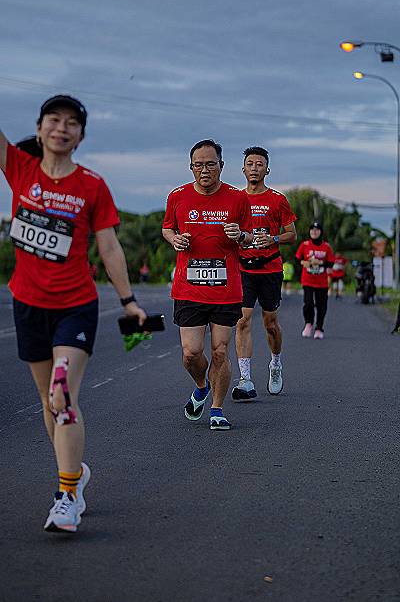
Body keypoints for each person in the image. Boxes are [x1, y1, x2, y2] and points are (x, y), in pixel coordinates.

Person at [0, 94, 146, 533]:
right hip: (28, 305)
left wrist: (128, 300)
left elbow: (109, 247)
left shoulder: (92, 186)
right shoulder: (20, 169)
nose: (61, 128)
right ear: (39, 128)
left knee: (62, 395)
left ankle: (66, 497)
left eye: (71, 123)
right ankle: (74, 472)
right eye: (53, 119)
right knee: (50, 402)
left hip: (74, 307)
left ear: (81, 136)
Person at [162, 139, 253, 431]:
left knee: (220, 351)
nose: (204, 170)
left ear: (221, 166)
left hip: (226, 289)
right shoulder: (177, 196)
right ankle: (202, 386)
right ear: (191, 167)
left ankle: (216, 409)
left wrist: (240, 235)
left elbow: (250, 237)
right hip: (189, 288)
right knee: (191, 353)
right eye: (198, 165)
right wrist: (175, 239)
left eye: (210, 164)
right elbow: (167, 227)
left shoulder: (238, 198)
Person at [232, 147, 297, 401]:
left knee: (270, 324)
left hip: (270, 268)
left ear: (267, 170)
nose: (254, 168)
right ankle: (245, 379)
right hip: (244, 268)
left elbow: (292, 234)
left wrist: (273, 239)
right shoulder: (236, 199)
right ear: (243, 169)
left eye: (259, 164)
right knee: (242, 321)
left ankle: (275, 363)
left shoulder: (277, 199)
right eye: (250, 164)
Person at [295, 222, 335, 339]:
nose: (314, 232)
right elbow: (297, 259)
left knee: (321, 305)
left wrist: (320, 262)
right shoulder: (304, 245)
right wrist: (304, 262)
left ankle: (319, 328)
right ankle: (308, 323)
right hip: (307, 280)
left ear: (321, 232)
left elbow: (331, 263)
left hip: (321, 282)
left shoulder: (326, 247)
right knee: (308, 303)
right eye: (312, 230)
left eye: (317, 230)